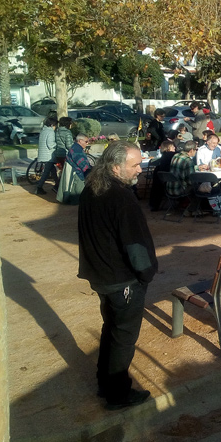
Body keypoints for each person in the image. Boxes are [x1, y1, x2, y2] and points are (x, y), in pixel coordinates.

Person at [78, 140, 157, 410]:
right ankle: (118, 393)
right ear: (115, 167)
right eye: (135, 165)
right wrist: (145, 275)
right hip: (122, 280)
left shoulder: (92, 187)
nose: (140, 170)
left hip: (101, 276)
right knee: (123, 336)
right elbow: (135, 245)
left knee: (111, 327)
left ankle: (105, 383)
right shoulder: (121, 198)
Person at [148, 140, 177, 212]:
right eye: (172, 146)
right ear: (167, 147)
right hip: (172, 184)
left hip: (161, 183)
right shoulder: (172, 155)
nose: (174, 147)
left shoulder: (164, 156)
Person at [34, 117, 59, 196]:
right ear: (52, 125)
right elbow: (51, 145)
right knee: (46, 173)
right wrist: (57, 145)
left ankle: (57, 185)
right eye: (55, 125)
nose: (56, 127)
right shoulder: (51, 132)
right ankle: (39, 187)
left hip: (43, 154)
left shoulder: (43, 131)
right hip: (48, 155)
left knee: (53, 171)